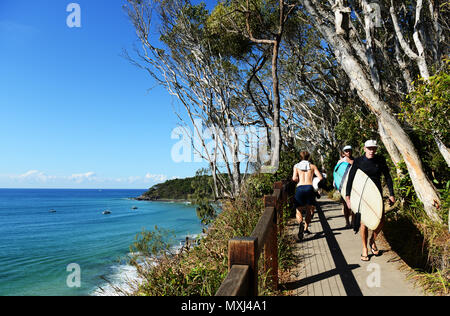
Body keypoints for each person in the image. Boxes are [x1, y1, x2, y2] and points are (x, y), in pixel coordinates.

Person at [345, 140, 395, 262]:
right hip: (363, 195)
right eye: (369, 148)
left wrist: (392, 194)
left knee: (381, 220)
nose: (371, 150)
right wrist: (347, 197)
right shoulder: (358, 161)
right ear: (364, 148)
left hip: (376, 194)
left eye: (373, 148)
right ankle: (364, 248)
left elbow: (388, 177)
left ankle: (372, 240)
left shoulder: (380, 160)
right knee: (364, 223)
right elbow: (350, 178)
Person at [292, 151, 323, 241]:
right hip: (309, 187)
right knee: (309, 209)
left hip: (300, 187)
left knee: (298, 209)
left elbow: (294, 178)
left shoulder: (296, 166)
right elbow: (320, 178)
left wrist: (298, 178)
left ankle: (300, 223)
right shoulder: (312, 166)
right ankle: (306, 228)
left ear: (300, 157)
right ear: (308, 157)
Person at [339, 145, 354, 228]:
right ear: (343, 153)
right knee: (345, 205)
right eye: (346, 151)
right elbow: (337, 174)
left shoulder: (355, 161)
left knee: (354, 205)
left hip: (354, 186)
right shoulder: (340, 162)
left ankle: (353, 222)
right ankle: (347, 222)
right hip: (344, 187)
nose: (348, 152)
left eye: (349, 150)